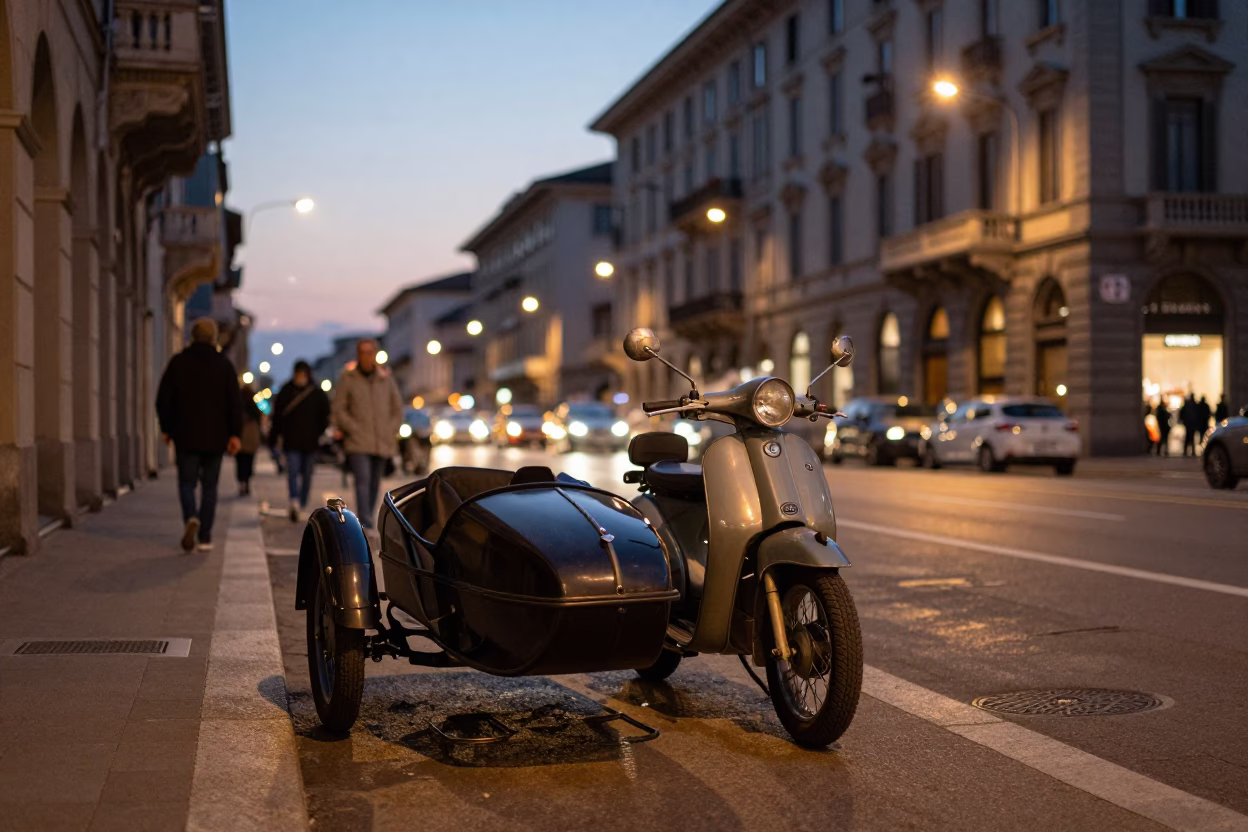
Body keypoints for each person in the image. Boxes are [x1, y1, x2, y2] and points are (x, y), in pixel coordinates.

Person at [155, 318, 242, 552]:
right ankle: (205, 536)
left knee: (186, 482)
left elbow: (163, 399)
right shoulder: (224, 365)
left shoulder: (178, 363)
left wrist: (166, 428)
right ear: (214, 338)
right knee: (210, 487)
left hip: (185, 435)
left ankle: (191, 517)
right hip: (216, 437)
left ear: (192, 337)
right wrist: (235, 434)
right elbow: (235, 403)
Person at [331, 339, 402, 529]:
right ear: (357, 355)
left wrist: (390, 428)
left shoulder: (385, 379)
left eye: (370, 352)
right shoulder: (348, 379)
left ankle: (368, 517)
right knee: (362, 481)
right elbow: (339, 409)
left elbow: (397, 408)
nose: (366, 356)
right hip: (358, 442)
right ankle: (366, 523)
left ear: (375, 354)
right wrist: (353, 428)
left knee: (374, 483)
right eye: (362, 352)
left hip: (381, 441)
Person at [271, 360, 332, 522]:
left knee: (307, 474)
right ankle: (294, 500)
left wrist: (318, 432)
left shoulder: (317, 393)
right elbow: (277, 416)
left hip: (310, 442)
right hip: (291, 441)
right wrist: (275, 436)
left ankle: (302, 501)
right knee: (292, 471)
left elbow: (325, 415)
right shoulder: (286, 391)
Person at [236, 384, 263, 496]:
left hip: (240, 437)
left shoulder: (238, 406)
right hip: (251, 437)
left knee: (240, 462)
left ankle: (242, 482)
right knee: (249, 461)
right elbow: (259, 417)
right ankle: (246, 482)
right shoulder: (254, 407)